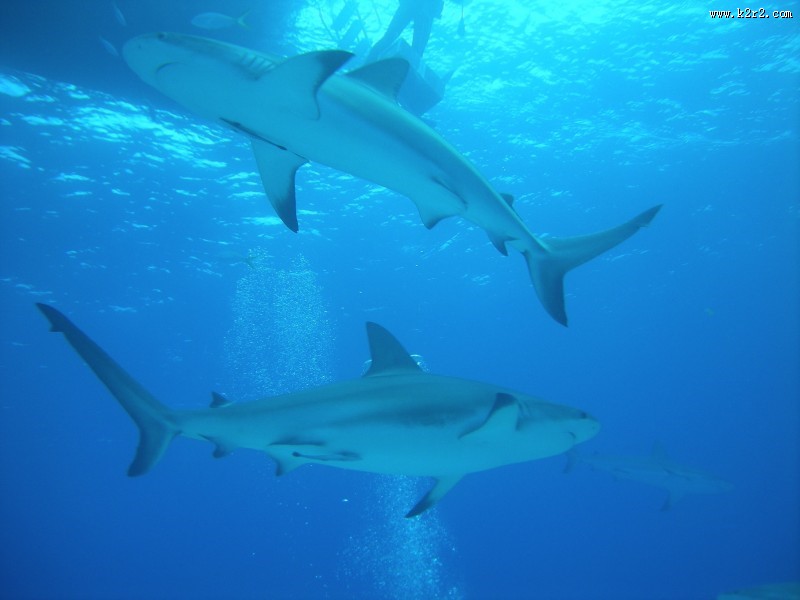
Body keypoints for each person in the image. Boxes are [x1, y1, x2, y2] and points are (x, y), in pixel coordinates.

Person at [367, 0, 444, 65]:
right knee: (416, 52)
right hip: (419, 8)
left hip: (422, 9)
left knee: (417, 52)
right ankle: (368, 63)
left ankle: (368, 63)